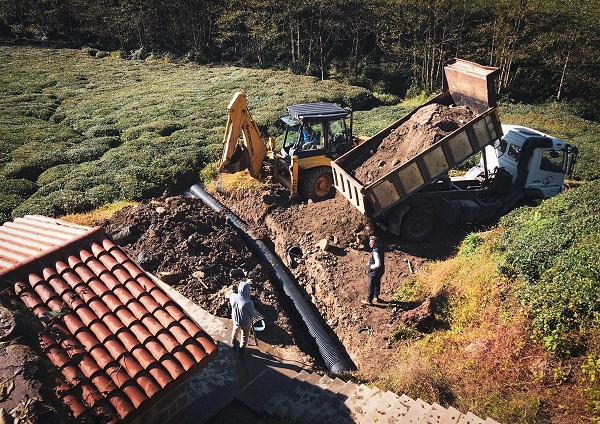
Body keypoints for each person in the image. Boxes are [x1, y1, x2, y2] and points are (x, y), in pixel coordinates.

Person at [230, 279, 257, 356]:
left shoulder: (233, 296)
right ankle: (241, 351)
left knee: (235, 330)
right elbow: (253, 314)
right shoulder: (248, 303)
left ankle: (233, 342)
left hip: (235, 319)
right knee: (244, 336)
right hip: (245, 322)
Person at [362, 235, 385, 305]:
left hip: (375, 272)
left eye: (371, 243)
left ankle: (369, 300)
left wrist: (371, 266)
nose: (369, 244)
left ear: (375, 243)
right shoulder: (380, 248)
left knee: (371, 285)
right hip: (381, 271)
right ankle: (376, 297)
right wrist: (370, 262)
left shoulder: (375, 252)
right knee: (377, 282)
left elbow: (378, 264)